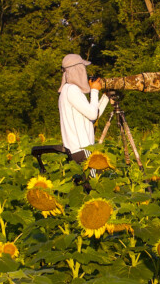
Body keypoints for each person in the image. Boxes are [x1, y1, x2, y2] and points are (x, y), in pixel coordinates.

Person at [30, 53, 110, 187]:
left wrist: (107, 97)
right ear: (78, 70)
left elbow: (91, 116)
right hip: (82, 151)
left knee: (87, 190)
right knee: (96, 188)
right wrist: (95, 91)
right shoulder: (72, 90)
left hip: (77, 151)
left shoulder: (67, 91)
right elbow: (92, 114)